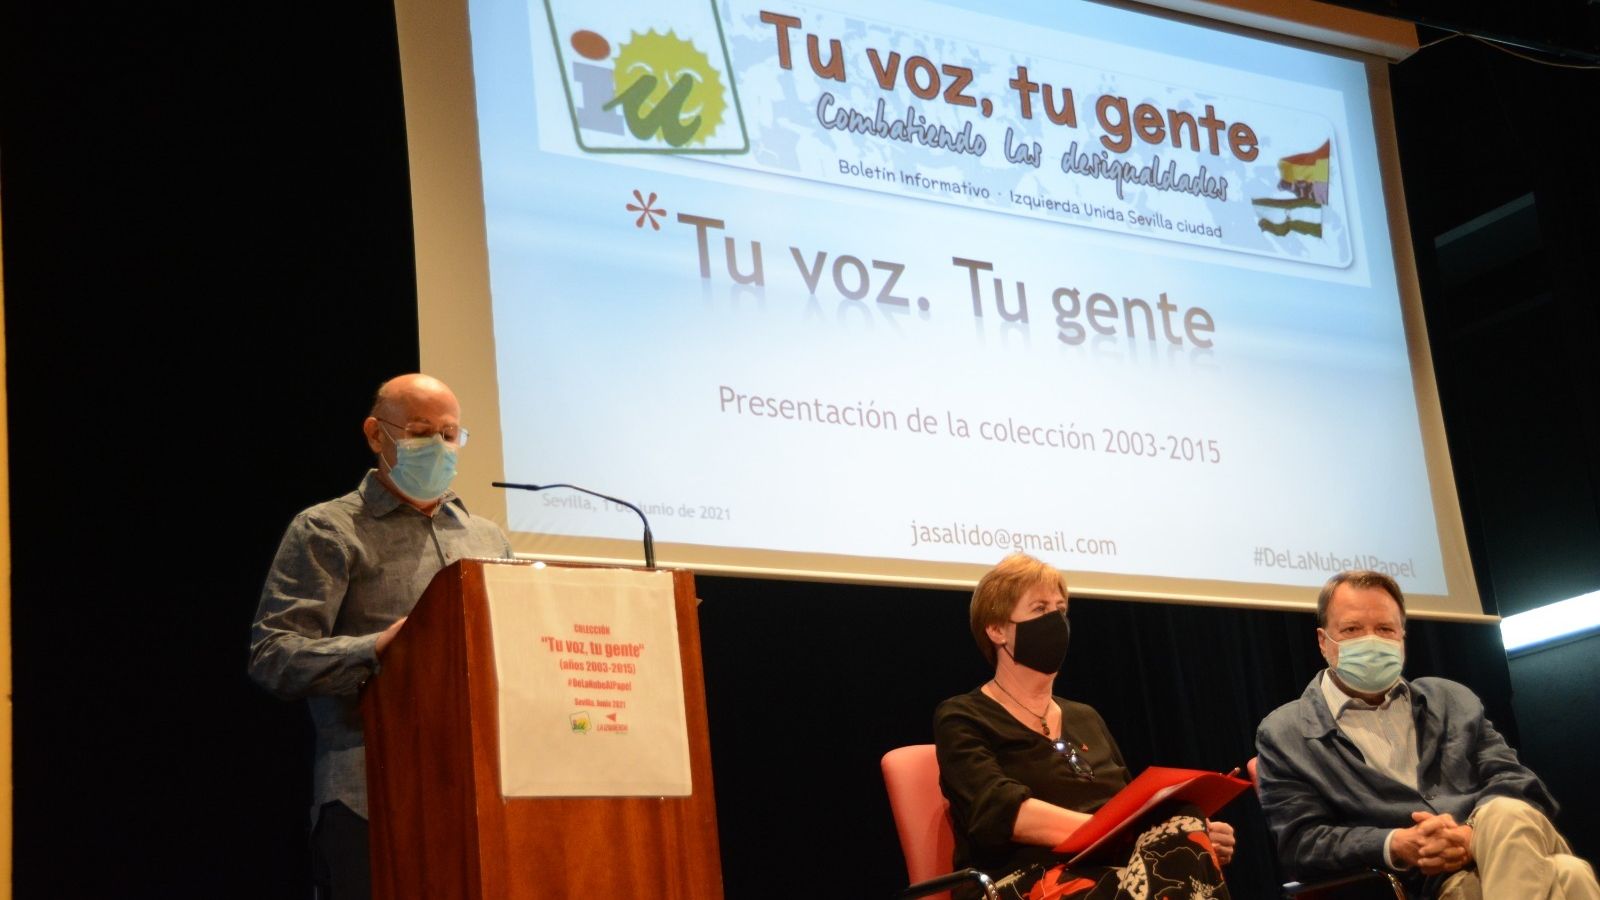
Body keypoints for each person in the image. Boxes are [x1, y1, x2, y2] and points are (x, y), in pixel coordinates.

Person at [249, 373, 513, 900]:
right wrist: (373, 649)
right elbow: (274, 656)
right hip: (371, 797)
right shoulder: (327, 529)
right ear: (376, 435)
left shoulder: (487, 538)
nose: (438, 448)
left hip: (481, 795)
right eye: (420, 432)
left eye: (449, 434)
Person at [1255, 569, 1599, 899]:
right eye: (1352, 630)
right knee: (1569, 874)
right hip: (1422, 883)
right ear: (1323, 642)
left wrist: (1472, 838)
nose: (1371, 641)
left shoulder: (1451, 700)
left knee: (1506, 814)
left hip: (1498, 844)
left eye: (1385, 629)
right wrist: (1398, 843)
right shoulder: (1286, 733)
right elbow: (1303, 845)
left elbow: (1516, 782)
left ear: (1403, 636)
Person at [934, 553, 1236, 900]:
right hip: (1021, 881)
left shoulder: (1085, 717)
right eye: (1039, 609)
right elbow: (1004, 813)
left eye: (1061, 610)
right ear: (997, 629)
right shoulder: (962, 716)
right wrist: (1121, 833)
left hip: (1107, 867)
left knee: (1185, 820)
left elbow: (1129, 807)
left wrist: (1190, 832)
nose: (1056, 621)